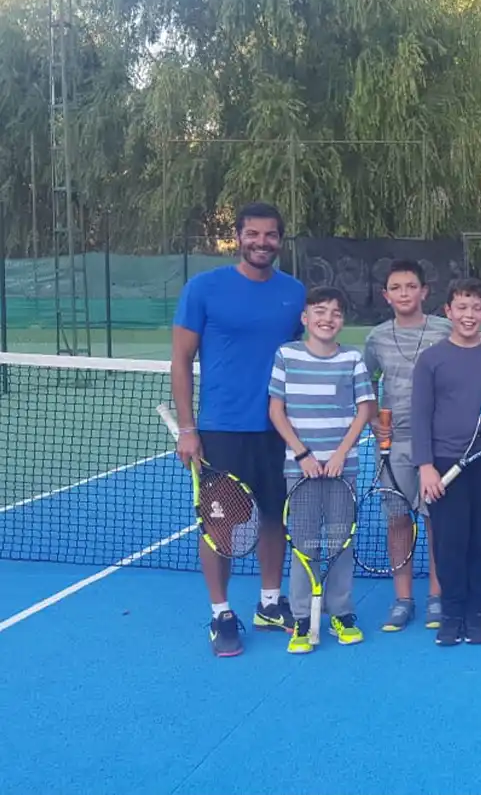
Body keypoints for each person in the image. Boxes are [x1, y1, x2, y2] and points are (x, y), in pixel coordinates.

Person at [171, 202, 306, 658]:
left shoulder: (295, 293)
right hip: (221, 430)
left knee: (274, 516)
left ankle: (270, 603)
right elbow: (180, 361)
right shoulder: (203, 289)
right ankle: (221, 613)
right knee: (220, 526)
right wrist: (187, 428)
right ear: (238, 236)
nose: (261, 242)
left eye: (270, 235)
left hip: (277, 428)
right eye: (253, 234)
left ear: (280, 241)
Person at [364, 259, 481, 632]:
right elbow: (365, 388)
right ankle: (411, 601)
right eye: (396, 287)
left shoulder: (474, 340)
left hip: (470, 456)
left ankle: (446, 602)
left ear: (425, 293)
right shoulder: (382, 340)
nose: (468, 313)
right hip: (409, 447)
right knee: (403, 521)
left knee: (448, 530)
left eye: (411, 286)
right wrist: (376, 428)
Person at [268, 287, 375, 653]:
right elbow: (276, 410)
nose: (327, 318)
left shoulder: (353, 359)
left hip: (342, 469)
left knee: (341, 541)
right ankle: (301, 617)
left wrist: (341, 455)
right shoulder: (287, 355)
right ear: (305, 318)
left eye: (335, 313)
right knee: (304, 544)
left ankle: (341, 612)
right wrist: (303, 455)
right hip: (301, 470)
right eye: (320, 311)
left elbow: (364, 409)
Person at [413, 278, 481, 647]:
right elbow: (420, 415)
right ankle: (451, 613)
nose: (469, 315)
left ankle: (475, 614)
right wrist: (426, 466)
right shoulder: (431, 360)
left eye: (476, 308)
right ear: (448, 312)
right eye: (461, 307)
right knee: (448, 542)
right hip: (444, 464)